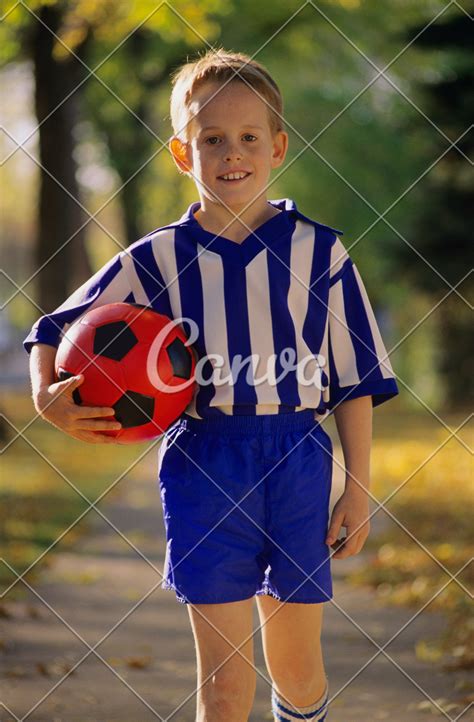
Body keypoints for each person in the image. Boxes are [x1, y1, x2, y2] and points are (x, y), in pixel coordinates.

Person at [24, 48, 399, 722]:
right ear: (181, 153)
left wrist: (358, 489)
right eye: (212, 138)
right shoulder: (156, 258)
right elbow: (55, 326)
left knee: (297, 668)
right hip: (204, 463)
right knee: (225, 687)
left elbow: (356, 379)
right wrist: (45, 394)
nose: (233, 152)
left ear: (277, 146)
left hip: (297, 463)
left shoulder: (320, 252)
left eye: (249, 137)